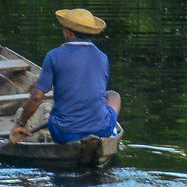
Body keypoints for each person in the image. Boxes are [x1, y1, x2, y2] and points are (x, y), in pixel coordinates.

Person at [9, 8, 121, 144]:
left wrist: (20, 123)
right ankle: (109, 133)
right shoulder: (103, 57)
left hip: (64, 133)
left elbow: (37, 97)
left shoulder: (54, 56)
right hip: (101, 130)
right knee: (113, 95)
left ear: (68, 32)